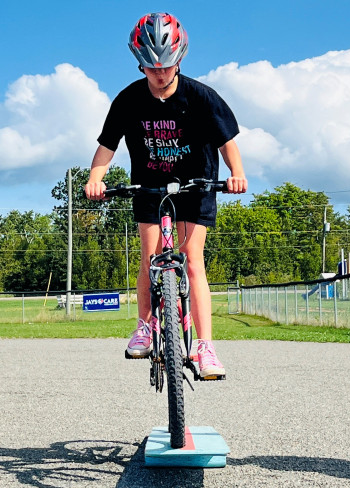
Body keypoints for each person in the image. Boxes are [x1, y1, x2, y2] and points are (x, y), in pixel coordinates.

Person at [84, 12, 247, 378]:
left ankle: (205, 347)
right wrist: (96, 179)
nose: (160, 74)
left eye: (167, 66)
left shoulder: (201, 96)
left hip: (196, 186)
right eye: (151, 67)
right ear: (140, 63)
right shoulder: (128, 101)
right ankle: (144, 326)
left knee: (192, 259)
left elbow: (227, 141)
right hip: (149, 186)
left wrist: (237, 174)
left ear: (180, 59)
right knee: (149, 256)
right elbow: (106, 148)